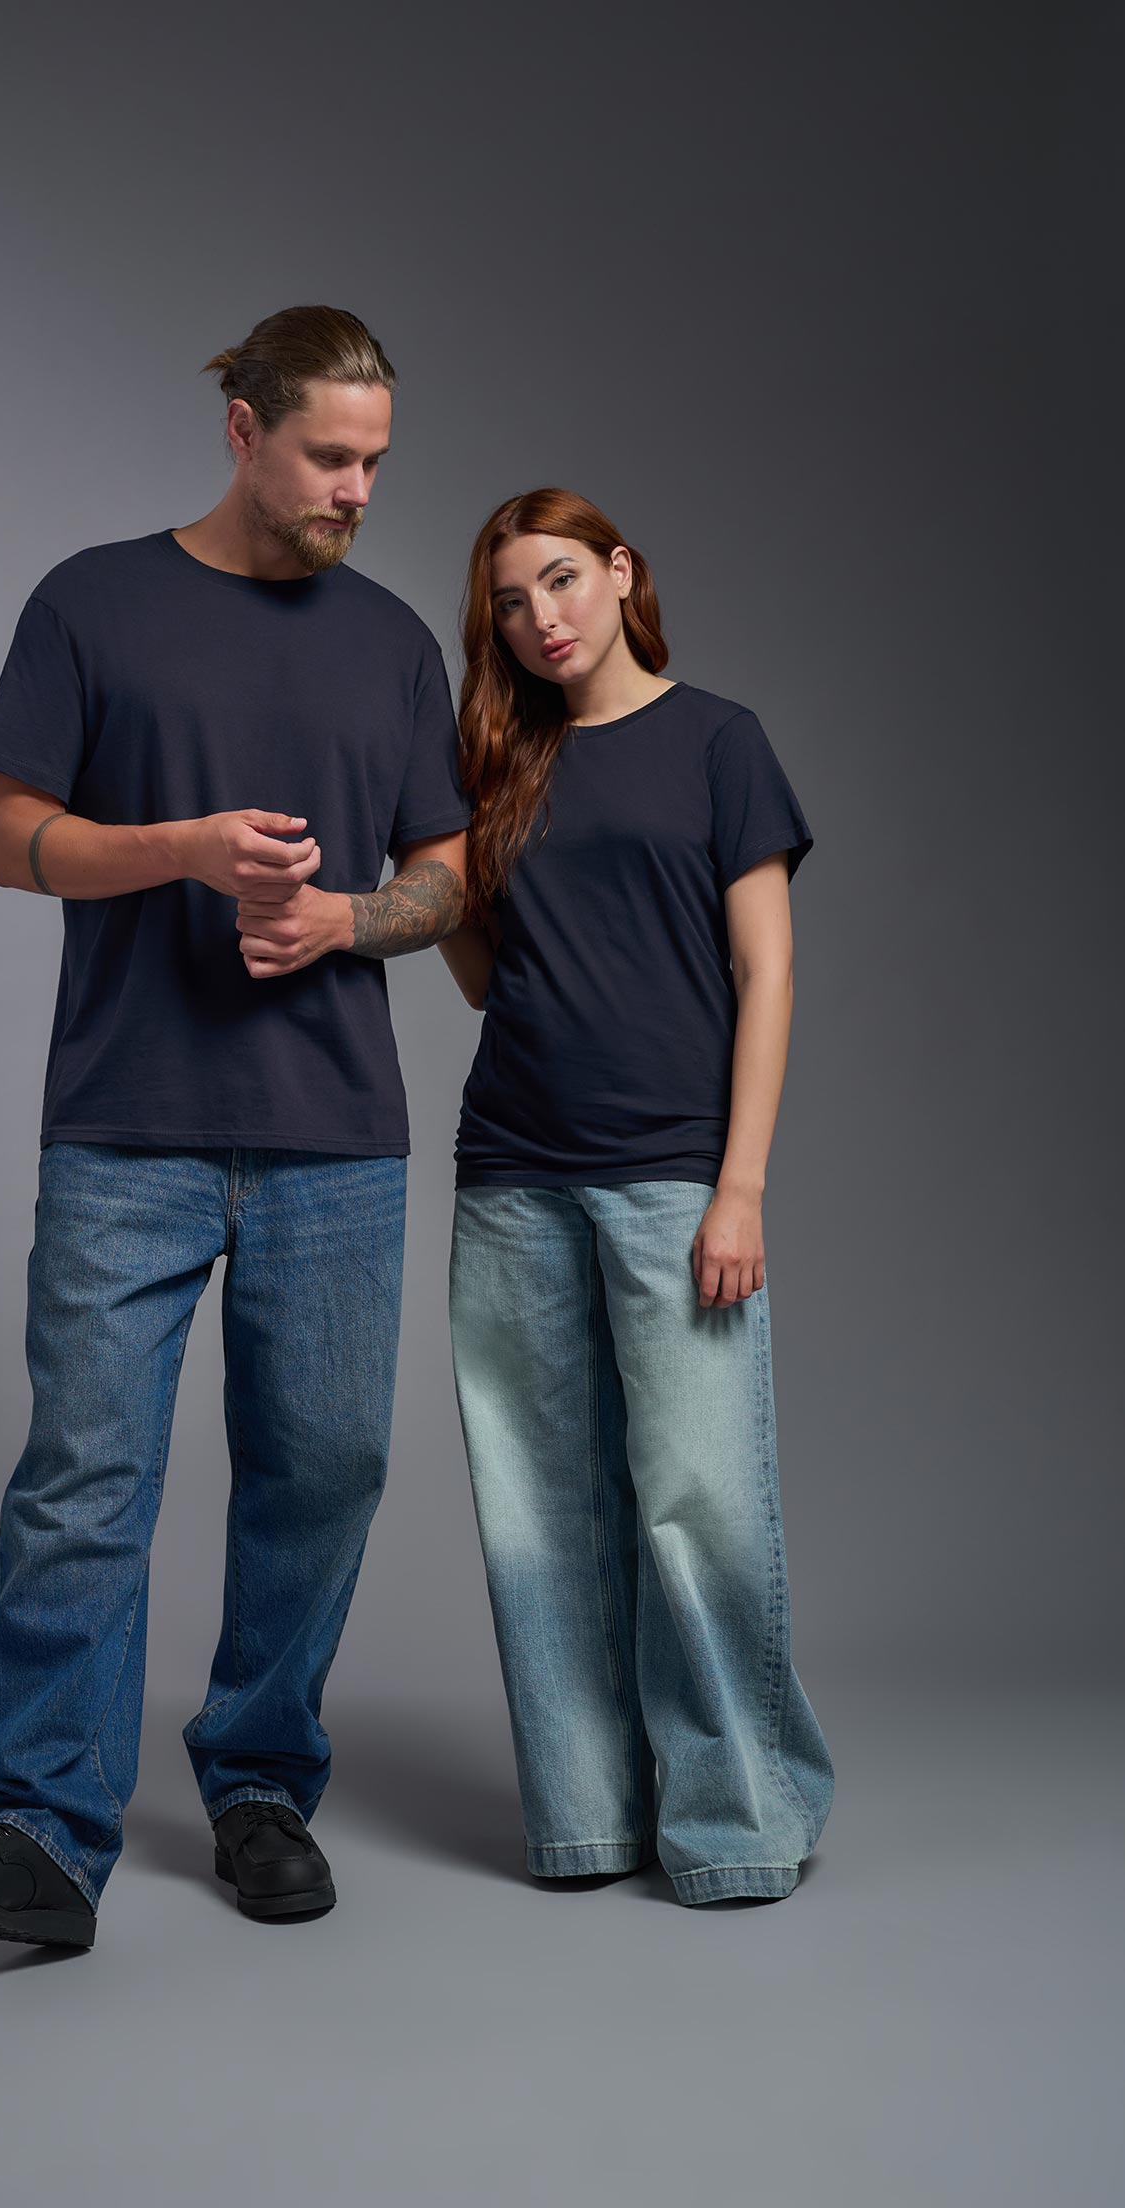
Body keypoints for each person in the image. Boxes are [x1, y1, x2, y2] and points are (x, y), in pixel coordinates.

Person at [0, 306, 470, 1949]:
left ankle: (262, 1780)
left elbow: (448, 866)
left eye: (375, 461)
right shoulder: (93, 602)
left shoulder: (393, 641)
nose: (357, 488)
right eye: (329, 456)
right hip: (126, 1125)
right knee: (84, 1478)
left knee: (327, 1471)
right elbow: (11, 839)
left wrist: (347, 923)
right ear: (240, 427)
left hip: (336, 1134)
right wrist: (185, 852)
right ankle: (40, 1834)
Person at [437, 487, 835, 1905]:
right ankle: (586, 1820)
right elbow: (483, 967)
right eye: (508, 600)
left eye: (559, 580)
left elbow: (765, 973)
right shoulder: (500, 761)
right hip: (512, 1180)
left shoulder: (717, 741)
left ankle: (735, 1824)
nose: (539, 616)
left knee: (696, 1502)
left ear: (620, 573)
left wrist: (740, 1185)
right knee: (537, 1515)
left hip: (673, 1175)